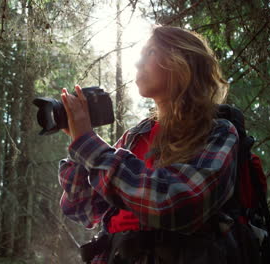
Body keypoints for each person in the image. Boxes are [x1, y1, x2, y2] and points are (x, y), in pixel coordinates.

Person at [58, 26, 239, 264]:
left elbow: (177, 203)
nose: (137, 63)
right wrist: (79, 142)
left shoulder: (218, 132)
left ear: (182, 62)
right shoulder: (135, 137)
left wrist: (90, 147)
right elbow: (83, 209)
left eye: (150, 52)